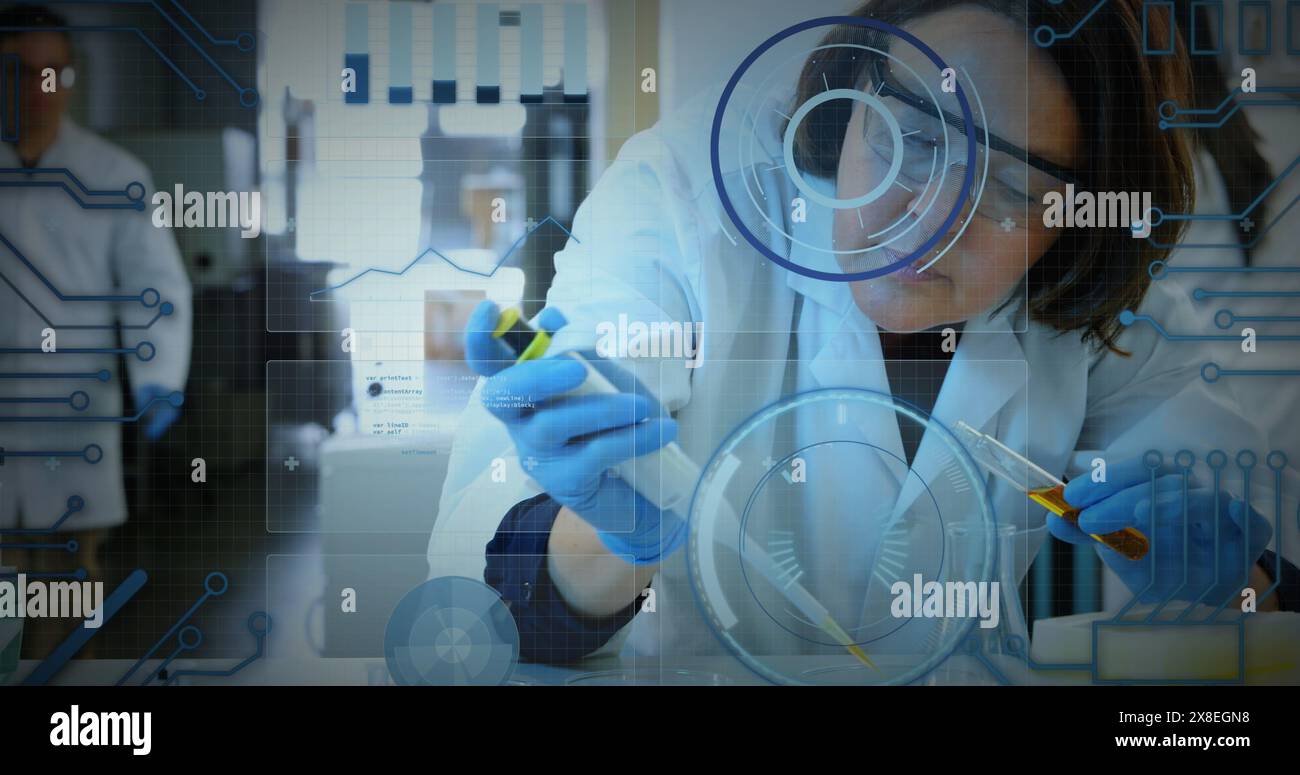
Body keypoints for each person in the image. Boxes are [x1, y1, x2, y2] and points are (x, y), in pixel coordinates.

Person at [431, 0, 1299, 664]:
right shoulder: (688, 198)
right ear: (852, 94)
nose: (930, 223)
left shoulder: (1082, 303)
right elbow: (499, 615)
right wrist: (606, 532)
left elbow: (1256, 569)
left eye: (1008, 188)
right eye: (913, 139)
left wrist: (1231, 583)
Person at [0, 4, 191, 658]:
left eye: (55, 73)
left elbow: (156, 287)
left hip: (73, 409)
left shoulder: (114, 175)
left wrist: (160, 377)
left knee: (70, 573)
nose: (40, 91)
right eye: (21, 72)